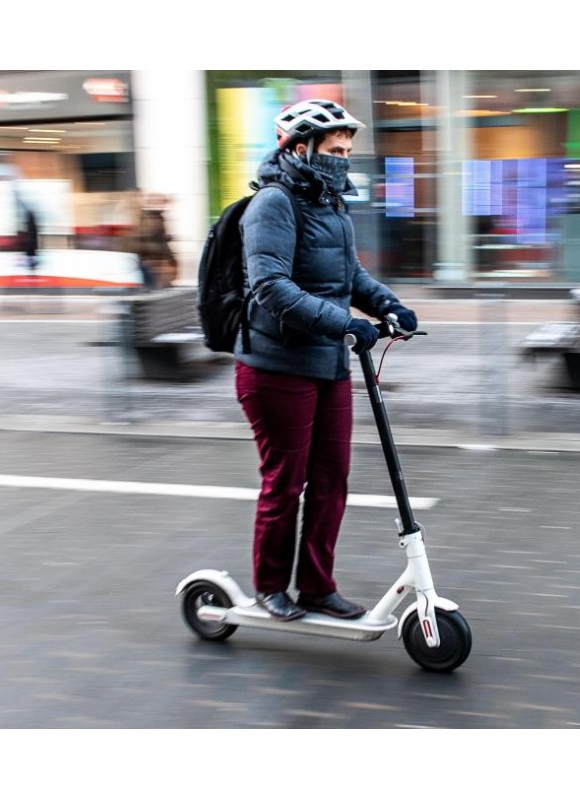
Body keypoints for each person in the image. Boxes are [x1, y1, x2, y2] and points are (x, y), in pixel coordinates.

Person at [235, 99, 418, 622]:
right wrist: (344, 323)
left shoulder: (332, 205)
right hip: (275, 368)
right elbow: (270, 286)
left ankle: (316, 586)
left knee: (333, 479)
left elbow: (350, 278)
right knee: (286, 482)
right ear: (299, 149)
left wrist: (387, 305)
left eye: (348, 151)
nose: (344, 159)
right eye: (335, 150)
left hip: (328, 364)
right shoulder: (272, 203)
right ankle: (271, 586)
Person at [135, 193, 178, 290]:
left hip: (155, 258)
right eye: (160, 202)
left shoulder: (157, 217)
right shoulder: (151, 219)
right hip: (153, 258)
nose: (164, 205)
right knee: (154, 286)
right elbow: (152, 240)